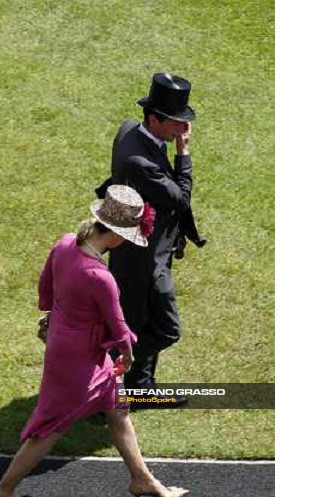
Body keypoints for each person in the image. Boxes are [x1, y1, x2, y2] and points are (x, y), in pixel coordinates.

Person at [0, 185, 189, 497]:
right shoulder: (100, 276)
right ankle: (3, 491)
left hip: (70, 348)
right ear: (118, 236)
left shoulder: (66, 243)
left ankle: (142, 478)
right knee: (52, 426)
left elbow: (45, 286)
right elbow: (120, 327)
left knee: (118, 409)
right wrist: (127, 355)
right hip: (80, 360)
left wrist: (55, 317)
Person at [99, 72, 203, 395]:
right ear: (155, 118)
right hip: (143, 262)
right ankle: (105, 377)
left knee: (139, 322)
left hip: (139, 252)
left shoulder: (129, 131)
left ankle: (140, 388)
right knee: (166, 329)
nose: (182, 130)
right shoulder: (141, 161)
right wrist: (183, 155)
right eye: (176, 122)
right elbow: (179, 198)